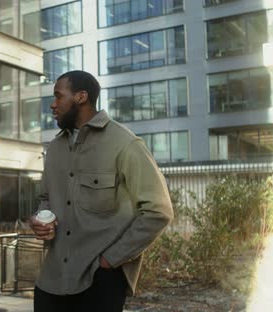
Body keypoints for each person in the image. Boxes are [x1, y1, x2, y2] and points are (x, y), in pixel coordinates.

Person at [30, 71, 174, 312]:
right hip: (51, 281)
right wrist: (40, 219)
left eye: (58, 96)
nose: (53, 105)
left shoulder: (125, 144)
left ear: (81, 97)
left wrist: (111, 259)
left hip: (99, 281)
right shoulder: (54, 148)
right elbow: (46, 199)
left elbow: (158, 211)